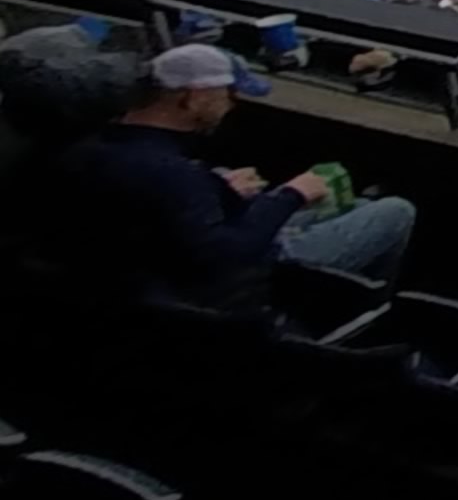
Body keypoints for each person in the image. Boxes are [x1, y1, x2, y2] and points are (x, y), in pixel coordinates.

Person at [51, 45, 415, 313]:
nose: (232, 105)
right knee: (396, 211)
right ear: (191, 98)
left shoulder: (93, 146)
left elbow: (170, 217)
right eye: (227, 94)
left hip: (137, 282)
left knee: (363, 206)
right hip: (222, 294)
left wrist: (222, 192)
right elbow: (227, 256)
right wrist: (291, 195)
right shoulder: (169, 173)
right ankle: (362, 319)